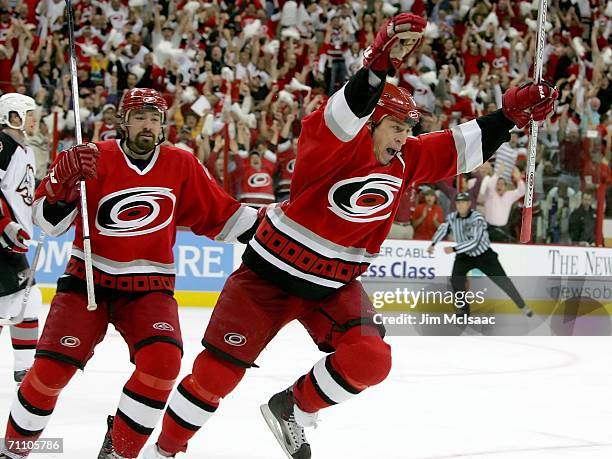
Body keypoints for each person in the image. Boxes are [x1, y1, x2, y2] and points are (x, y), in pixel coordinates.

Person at [142, 14, 557, 459]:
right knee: (214, 378)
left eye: (408, 129)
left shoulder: (405, 159)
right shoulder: (332, 147)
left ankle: (292, 409)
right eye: (396, 127)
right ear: (371, 123)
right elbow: (346, 110)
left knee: (370, 359)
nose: (404, 137)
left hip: (333, 285)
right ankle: (164, 450)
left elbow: (458, 146)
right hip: (268, 279)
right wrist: (378, 65)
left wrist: (510, 116)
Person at [0, 88, 260, 459]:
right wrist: (61, 186)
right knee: (49, 373)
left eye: (155, 119)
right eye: (139, 117)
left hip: (149, 288)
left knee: (163, 365)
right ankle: (12, 450)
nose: (148, 125)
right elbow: (47, 223)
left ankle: (121, 450)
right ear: (122, 121)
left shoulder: (181, 164)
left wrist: (273, 227)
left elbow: (223, 214)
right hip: (87, 280)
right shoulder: (91, 158)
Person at [427, 193, 533, 317]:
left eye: (463, 202)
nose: (460, 205)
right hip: (464, 256)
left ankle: (522, 305)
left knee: (503, 281)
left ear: (468, 204)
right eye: (458, 203)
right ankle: (464, 311)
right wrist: (433, 243)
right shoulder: (452, 217)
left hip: (483, 255)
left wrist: (455, 249)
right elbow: (443, 229)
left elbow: (475, 241)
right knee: (456, 281)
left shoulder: (477, 218)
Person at [0, 93, 43, 386]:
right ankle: (24, 369)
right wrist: (5, 226)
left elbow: (26, 191)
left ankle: (24, 369)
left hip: (14, 242)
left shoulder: (24, 149)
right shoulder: (3, 145)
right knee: (19, 304)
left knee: (27, 303)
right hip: (3, 241)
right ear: (12, 116)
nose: (33, 118)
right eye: (28, 113)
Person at [483, 164, 526, 242]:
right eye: (498, 184)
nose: (500, 186)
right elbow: (490, 185)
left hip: (503, 230)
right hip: (489, 229)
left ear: (505, 187)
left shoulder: (509, 195)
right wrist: (498, 173)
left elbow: (522, 191)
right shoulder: (490, 193)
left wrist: (519, 179)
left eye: (502, 184)